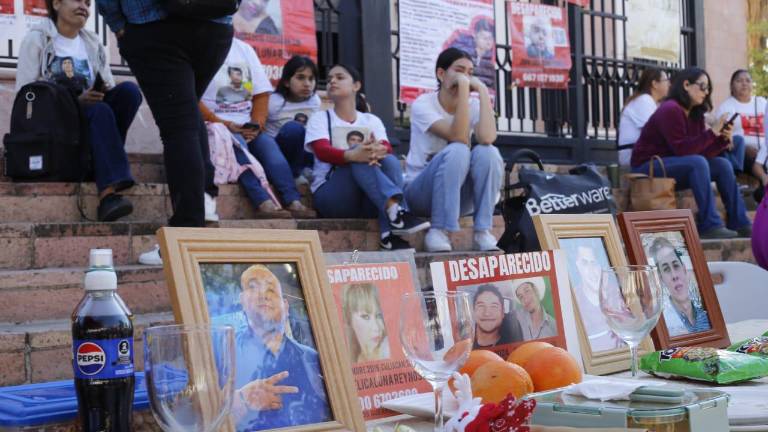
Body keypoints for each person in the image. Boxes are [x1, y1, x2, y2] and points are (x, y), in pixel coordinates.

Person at [96, 0, 234, 229]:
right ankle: (205, 203)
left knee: (179, 127)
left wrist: (117, 24)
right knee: (186, 112)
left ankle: (187, 230)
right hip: (215, 25)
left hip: (153, 25)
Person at [17, 0, 140, 222]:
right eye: (77, 0)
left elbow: (109, 85)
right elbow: (27, 95)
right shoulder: (37, 39)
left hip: (93, 117)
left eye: (88, 2)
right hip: (56, 122)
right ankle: (108, 196)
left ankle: (101, 163)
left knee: (129, 92)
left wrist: (100, 92)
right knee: (99, 110)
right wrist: (75, 102)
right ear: (56, 4)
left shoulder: (92, 42)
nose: (84, 6)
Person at [304, 64, 430, 250]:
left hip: (368, 198)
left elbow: (386, 148)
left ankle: (389, 232)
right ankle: (396, 211)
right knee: (359, 154)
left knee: (389, 161)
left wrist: (375, 151)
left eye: (339, 77)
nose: (332, 81)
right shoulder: (320, 118)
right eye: (330, 78)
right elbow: (322, 150)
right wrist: (353, 153)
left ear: (356, 86)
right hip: (333, 196)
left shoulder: (371, 121)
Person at [631, 67, 752, 239]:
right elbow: (682, 150)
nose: (706, 92)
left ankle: (739, 222)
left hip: (676, 164)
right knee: (697, 162)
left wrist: (722, 139)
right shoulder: (670, 109)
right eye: (702, 86)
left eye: (708, 88)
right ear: (686, 85)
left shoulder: (695, 114)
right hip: (648, 166)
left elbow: (701, 152)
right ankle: (709, 224)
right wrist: (712, 132)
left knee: (722, 165)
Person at [199, 38, 314, 218]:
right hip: (215, 127)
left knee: (272, 153)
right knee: (238, 149)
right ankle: (263, 201)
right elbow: (192, 97)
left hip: (247, 125)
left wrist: (256, 125)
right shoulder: (197, 46)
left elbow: (261, 94)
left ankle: (293, 201)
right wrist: (226, 124)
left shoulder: (244, 49)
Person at [404, 47, 502, 252]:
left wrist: (483, 92)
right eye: (459, 71)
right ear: (441, 74)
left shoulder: (473, 105)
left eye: (470, 73)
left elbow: (487, 137)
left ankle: (482, 231)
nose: (465, 77)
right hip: (421, 194)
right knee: (458, 149)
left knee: (488, 152)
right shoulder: (423, 104)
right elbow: (458, 136)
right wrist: (466, 88)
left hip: (459, 198)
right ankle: (438, 230)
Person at [216, 264, 332, 431]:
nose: (263, 295)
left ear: (286, 306)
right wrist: (241, 400)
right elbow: (199, 414)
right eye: (253, 287)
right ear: (242, 301)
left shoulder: (311, 357)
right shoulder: (222, 354)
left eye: (271, 290)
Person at [264, 56, 321, 185]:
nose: (307, 84)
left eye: (311, 79)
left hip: (304, 152)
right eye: (300, 78)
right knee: (294, 128)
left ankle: (308, 169)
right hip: (279, 154)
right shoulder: (273, 102)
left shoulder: (314, 101)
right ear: (286, 82)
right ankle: (294, 174)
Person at [561, 239, 624, 352]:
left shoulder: (618, 296)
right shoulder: (572, 303)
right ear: (577, 266)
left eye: (594, 263)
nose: (592, 270)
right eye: (585, 263)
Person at [714, 70, 768, 189]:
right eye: (739, 80)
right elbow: (723, 137)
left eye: (748, 80)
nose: (744, 83)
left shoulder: (762, 103)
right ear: (732, 86)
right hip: (744, 155)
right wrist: (743, 149)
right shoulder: (726, 107)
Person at [648, 237, 711, 336]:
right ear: (661, 279)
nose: (674, 276)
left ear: (684, 269)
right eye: (666, 269)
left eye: (676, 265)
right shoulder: (664, 323)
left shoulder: (707, 311)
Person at [617, 68, 670, 167]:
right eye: (666, 80)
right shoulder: (644, 100)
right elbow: (656, 132)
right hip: (632, 155)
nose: (669, 84)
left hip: (644, 153)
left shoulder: (651, 102)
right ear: (655, 84)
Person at [342, 283, 390, 363]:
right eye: (365, 317)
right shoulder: (348, 357)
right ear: (349, 319)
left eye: (379, 315)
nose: (376, 328)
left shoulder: (386, 350)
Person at [471, 284, 523, 349]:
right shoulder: (464, 344)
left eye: (494, 306)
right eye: (481, 306)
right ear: (473, 311)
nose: (487, 313)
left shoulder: (512, 344)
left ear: (502, 312)